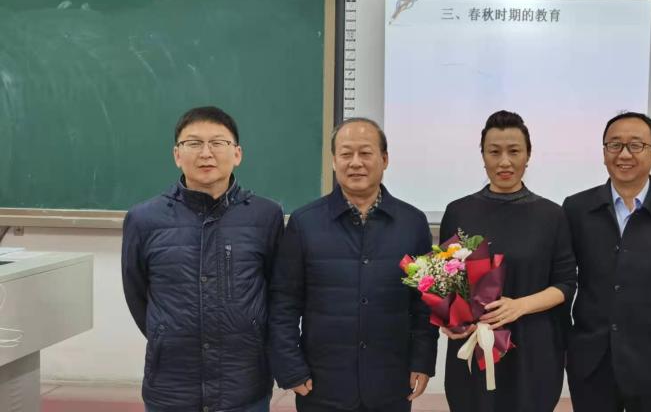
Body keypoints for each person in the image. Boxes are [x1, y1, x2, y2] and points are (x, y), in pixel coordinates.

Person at [269, 118, 437, 412]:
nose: (356, 162)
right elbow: (284, 303)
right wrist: (291, 368)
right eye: (346, 154)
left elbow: (425, 304)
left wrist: (422, 361)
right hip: (322, 385)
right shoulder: (304, 223)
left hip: (390, 383)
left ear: (384, 159)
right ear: (334, 161)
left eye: (366, 153)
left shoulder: (413, 223)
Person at [122, 106, 283, 412]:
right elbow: (137, 294)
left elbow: (278, 292)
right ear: (177, 155)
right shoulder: (144, 219)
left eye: (217, 143)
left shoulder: (266, 216)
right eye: (194, 143)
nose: (206, 153)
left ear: (237, 153)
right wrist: (166, 332)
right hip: (171, 387)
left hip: (244, 384)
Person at [562, 111, 651, 412]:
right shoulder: (577, 209)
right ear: (604, 152)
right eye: (614, 145)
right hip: (592, 362)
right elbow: (562, 280)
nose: (624, 154)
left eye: (636, 145)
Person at [439, 110, 577, 412]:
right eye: (494, 152)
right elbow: (446, 283)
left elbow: (566, 284)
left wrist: (519, 306)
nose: (505, 162)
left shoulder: (552, 215)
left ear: (528, 155)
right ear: (483, 156)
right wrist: (449, 320)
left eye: (514, 151)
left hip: (533, 350)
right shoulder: (458, 211)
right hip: (474, 346)